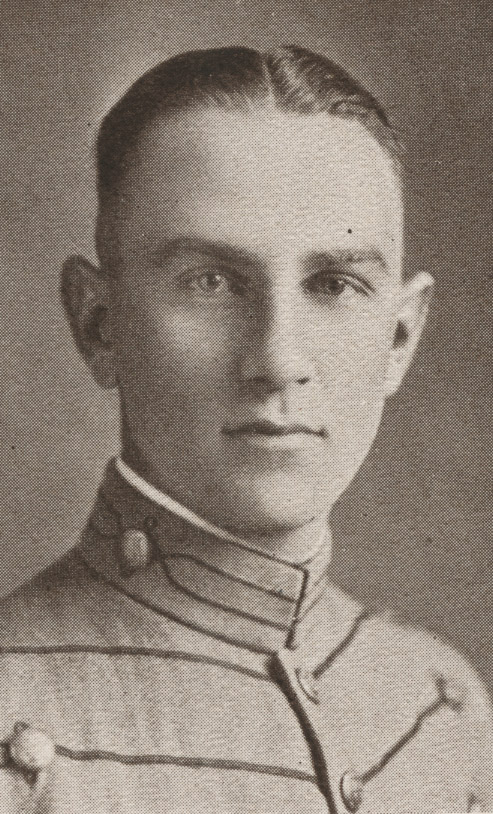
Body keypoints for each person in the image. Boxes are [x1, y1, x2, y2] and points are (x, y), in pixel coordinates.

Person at [0, 44, 491, 814]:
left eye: (334, 284)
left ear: (399, 338)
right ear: (98, 324)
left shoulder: (439, 706)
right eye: (211, 282)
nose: (277, 359)